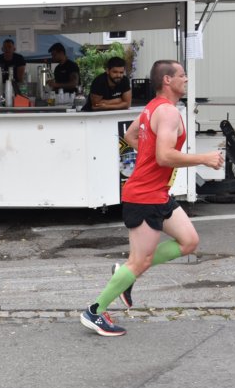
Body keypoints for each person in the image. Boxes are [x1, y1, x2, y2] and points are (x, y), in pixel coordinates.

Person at [81, 60, 224, 337]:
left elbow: (131, 135)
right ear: (167, 80)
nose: (186, 79)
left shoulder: (153, 107)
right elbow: (164, 156)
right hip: (144, 196)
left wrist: (149, 151)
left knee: (189, 241)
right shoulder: (167, 112)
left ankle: (127, 274)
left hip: (158, 194)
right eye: (182, 75)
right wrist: (204, 159)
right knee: (139, 261)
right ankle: (95, 311)